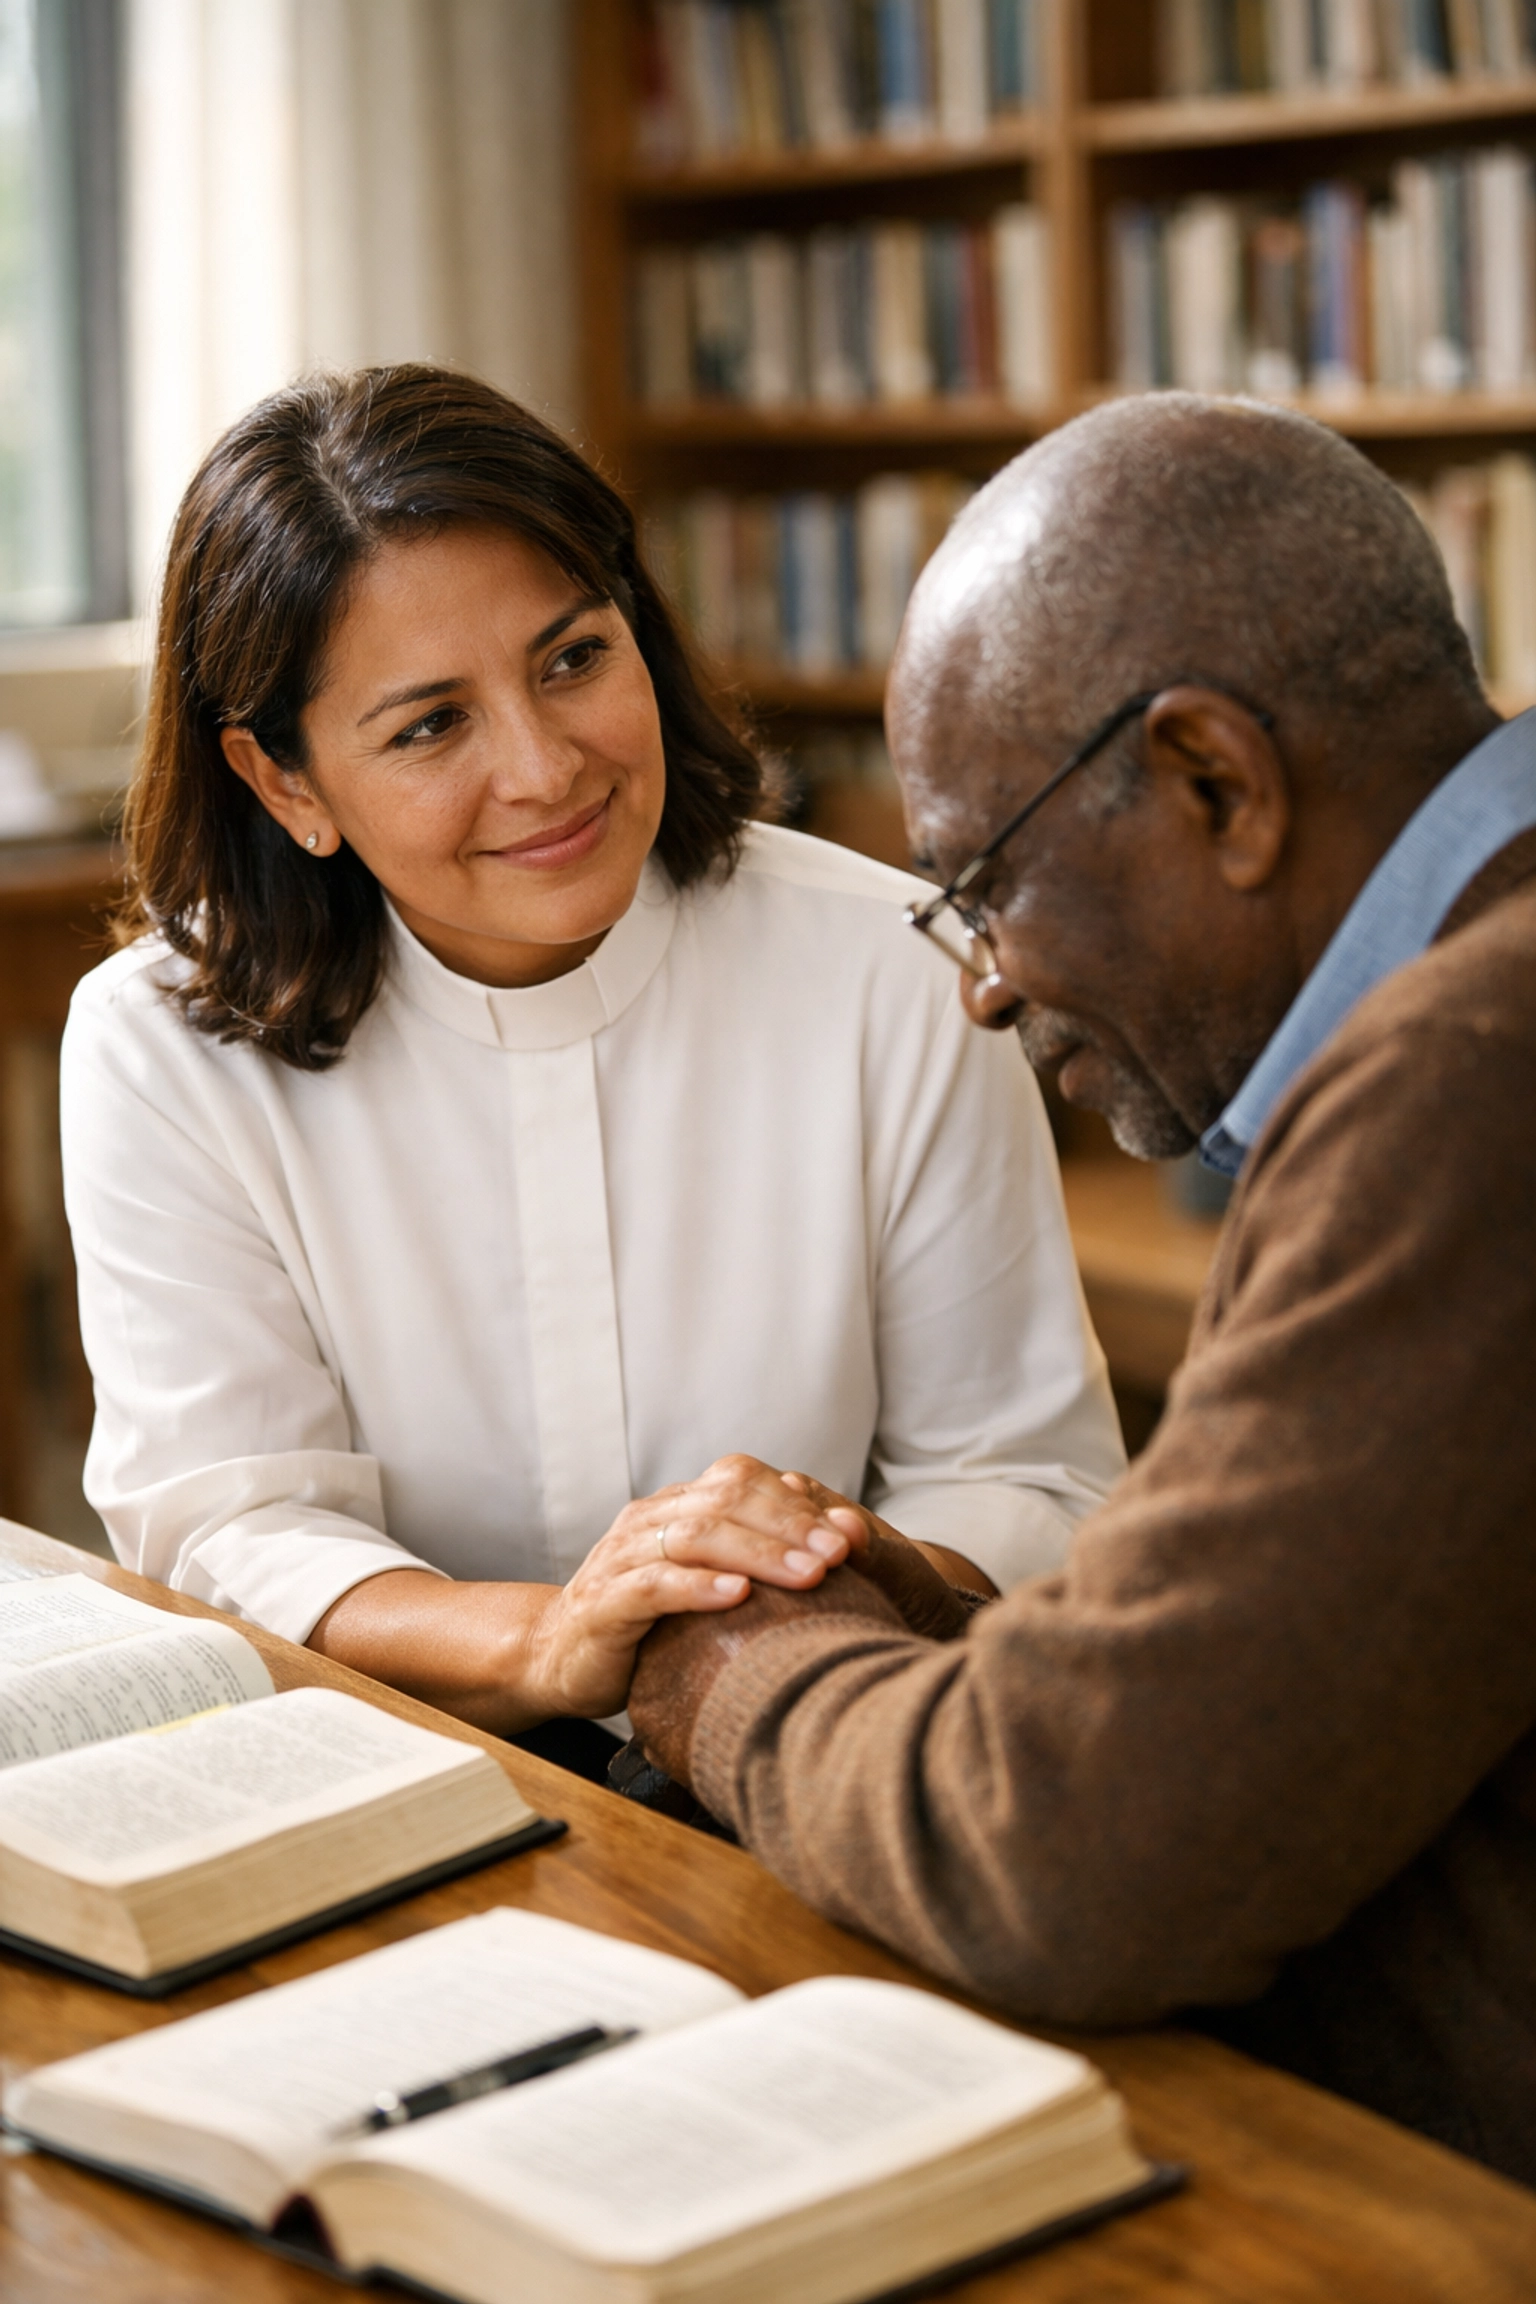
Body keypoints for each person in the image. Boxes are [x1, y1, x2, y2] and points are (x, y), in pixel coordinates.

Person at [624, 393, 1536, 2185]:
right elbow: (1329, 1671)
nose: (981, 988)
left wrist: (729, 1663)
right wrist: (949, 1633)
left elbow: (1062, 1870)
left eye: (982, 883)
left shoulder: (1467, 1076)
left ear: (1216, 784)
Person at [59, 365, 1123, 1777]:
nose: (546, 768)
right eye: (431, 723)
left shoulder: (898, 969)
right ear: (285, 782)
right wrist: (556, 1641)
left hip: (828, 1750)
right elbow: (234, 1530)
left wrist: (805, 1569)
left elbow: (1027, 1483)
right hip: (389, 1765)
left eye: (572, 658)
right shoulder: (158, 1047)